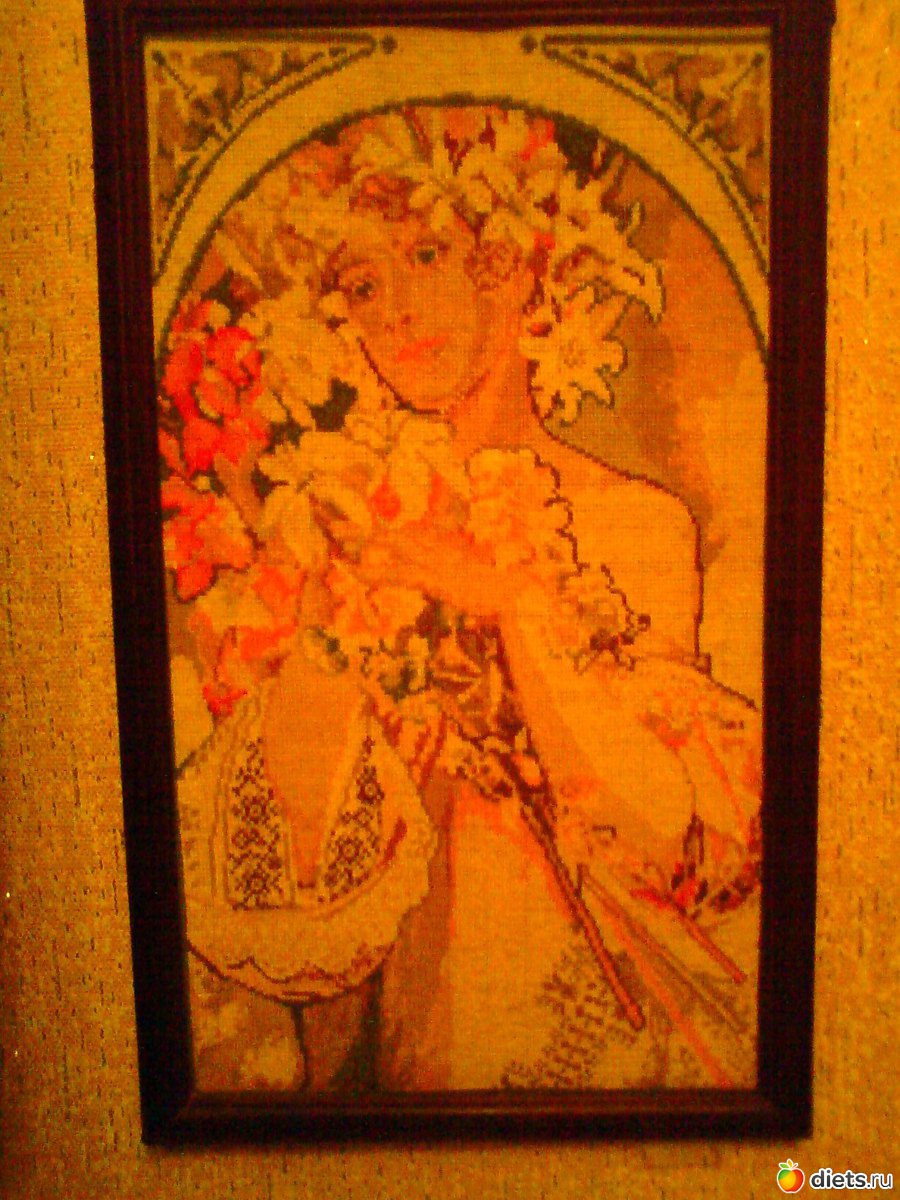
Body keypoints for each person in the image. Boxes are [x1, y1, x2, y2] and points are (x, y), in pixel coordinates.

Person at [160, 106, 762, 1093]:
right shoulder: (339, 528)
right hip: (416, 1048)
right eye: (361, 284)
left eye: (427, 253)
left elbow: (662, 833)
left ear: (512, 266)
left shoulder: (637, 523)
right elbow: (293, 892)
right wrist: (326, 637)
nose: (392, 310)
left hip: (604, 1050)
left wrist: (510, 602)